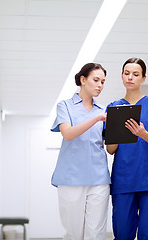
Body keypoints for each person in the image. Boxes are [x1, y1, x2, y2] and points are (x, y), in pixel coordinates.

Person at [106, 57, 148, 240]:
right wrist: (117, 130)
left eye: (136, 74)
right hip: (123, 180)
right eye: (127, 73)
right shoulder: (114, 107)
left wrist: (142, 133)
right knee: (122, 235)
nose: (130, 77)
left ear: (143, 78)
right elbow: (110, 149)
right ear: (121, 76)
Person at [50, 63, 111, 240]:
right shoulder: (65, 106)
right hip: (71, 178)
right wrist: (96, 119)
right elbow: (68, 133)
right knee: (73, 234)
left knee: (96, 233)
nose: (100, 85)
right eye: (96, 80)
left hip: (99, 178)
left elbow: (109, 143)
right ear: (83, 80)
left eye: (103, 82)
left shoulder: (105, 110)